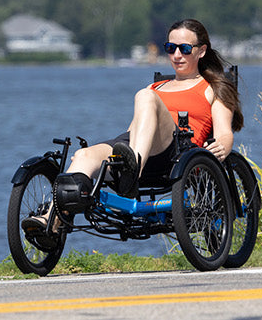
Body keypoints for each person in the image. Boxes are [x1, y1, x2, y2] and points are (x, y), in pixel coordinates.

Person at [22, 18, 244, 239]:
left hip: (176, 151)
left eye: (185, 49)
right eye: (171, 48)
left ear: (201, 51)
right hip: (137, 146)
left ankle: (132, 171)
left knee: (145, 95)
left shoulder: (213, 88)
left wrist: (222, 147)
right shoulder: (156, 86)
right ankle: (50, 220)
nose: (177, 55)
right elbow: (136, 128)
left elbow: (224, 132)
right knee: (83, 156)